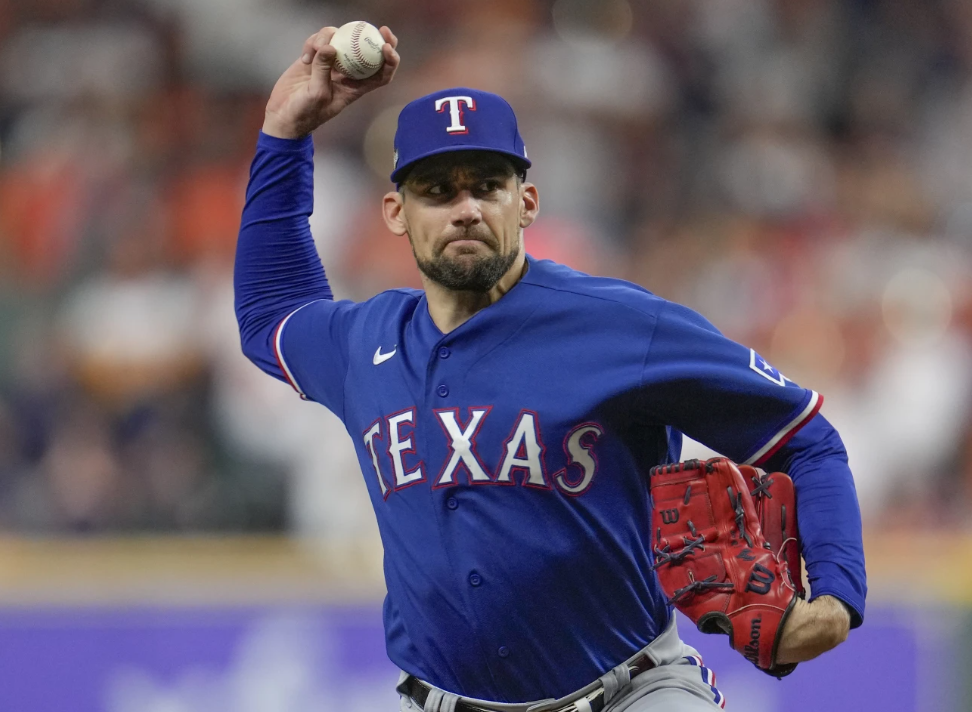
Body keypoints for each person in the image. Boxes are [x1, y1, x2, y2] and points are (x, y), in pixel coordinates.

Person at [235, 25, 866, 712]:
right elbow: (270, 312)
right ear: (396, 212)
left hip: (633, 692)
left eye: (488, 184)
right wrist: (284, 134)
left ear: (526, 202)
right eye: (437, 189)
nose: (466, 208)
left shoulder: (619, 326)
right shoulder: (365, 344)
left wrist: (834, 597)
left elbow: (806, 437)